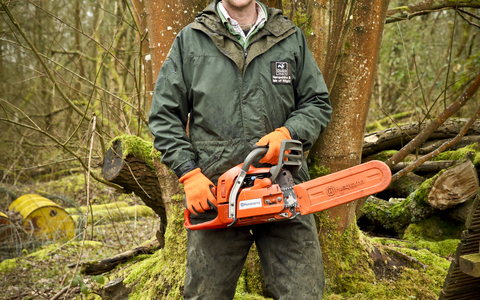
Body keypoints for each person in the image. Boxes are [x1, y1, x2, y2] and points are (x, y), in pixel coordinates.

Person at [149, 0, 332, 299]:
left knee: (303, 292)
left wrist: (289, 132)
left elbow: (317, 103)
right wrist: (189, 174)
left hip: (282, 184)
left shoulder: (287, 35)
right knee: (205, 294)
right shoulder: (192, 39)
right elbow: (164, 116)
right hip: (215, 191)